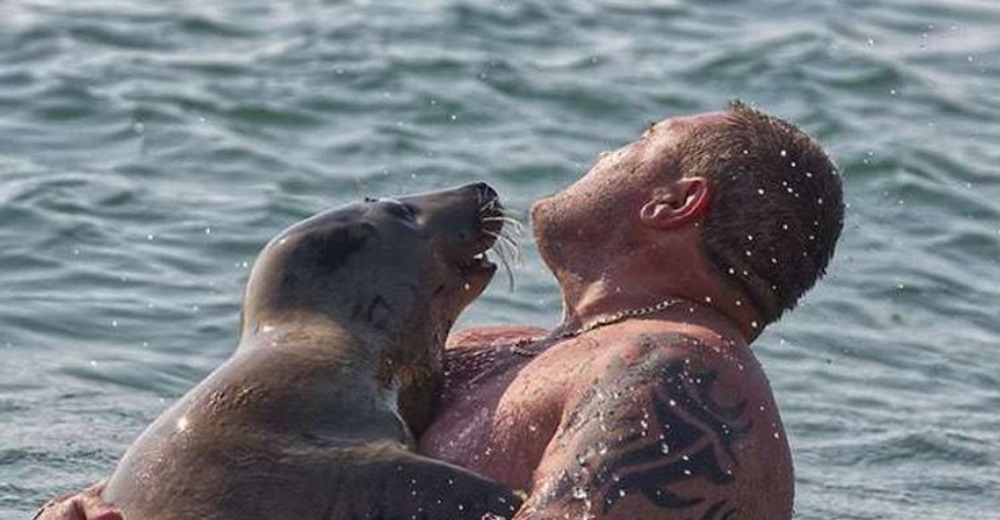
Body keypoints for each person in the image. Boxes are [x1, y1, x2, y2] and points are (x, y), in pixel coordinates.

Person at [34, 101, 843, 520]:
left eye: (640, 138)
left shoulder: (677, 370)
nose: (607, 151)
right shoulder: (491, 351)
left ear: (675, 201)